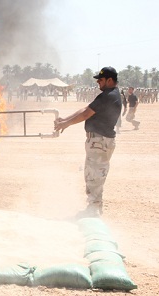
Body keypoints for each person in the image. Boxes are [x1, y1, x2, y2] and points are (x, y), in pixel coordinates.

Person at [54, 67, 122, 217]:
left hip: (100, 141)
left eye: (101, 79)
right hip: (100, 141)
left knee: (94, 175)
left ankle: (94, 210)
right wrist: (65, 120)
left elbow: (86, 114)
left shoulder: (108, 95)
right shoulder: (108, 95)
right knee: (95, 174)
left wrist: (66, 124)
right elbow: (86, 108)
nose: (98, 81)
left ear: (110, 80)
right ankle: (95, 207)